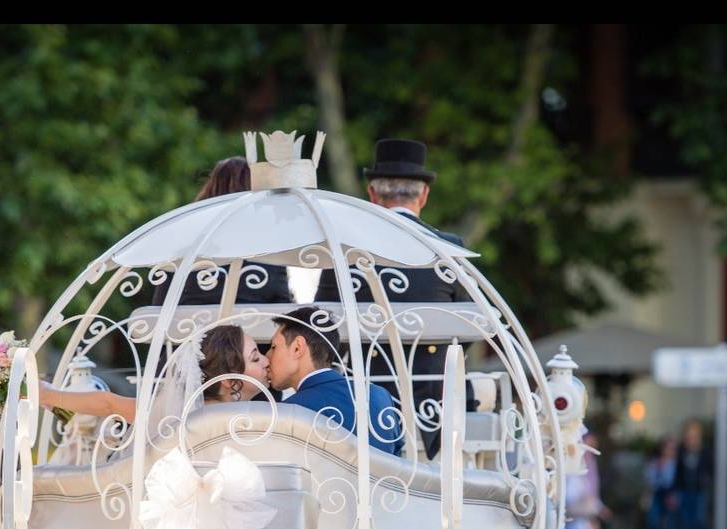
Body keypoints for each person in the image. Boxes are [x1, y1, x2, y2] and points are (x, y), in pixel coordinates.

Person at [314, 139, 473, 460]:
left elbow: (322, 326)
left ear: (372, 194)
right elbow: (473, 327)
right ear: (424, 195)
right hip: (434, 409)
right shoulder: (448, 249)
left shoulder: (344, 253)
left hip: (361, 405)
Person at [40, 325, 269, 429]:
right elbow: (108, 403)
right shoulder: (175, 415)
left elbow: (110, 404)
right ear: (229, 380)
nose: (267, 361)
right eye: (256, 358)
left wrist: (48, 394)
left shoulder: (176, 413)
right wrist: (46, 395)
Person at [151, 157, 292, 306]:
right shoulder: (270, 255)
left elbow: (157, 310)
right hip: (253, 329)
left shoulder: (183, 253)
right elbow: (284, 313)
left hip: (191, 329)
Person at [266, 306, 403, 456]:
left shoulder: (288, 411)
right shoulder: (379, 396)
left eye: (274, 347)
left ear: (297, 348)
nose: (267, 356)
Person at [565, 432, 610, 529]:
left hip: (582, 506)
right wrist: (598, 507)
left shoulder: (589, 461)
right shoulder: (576, 460)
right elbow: (575, 488)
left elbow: (591, 490)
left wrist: (599, 507)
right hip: (574, 505)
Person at [672, 419, 713, 529]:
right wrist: (675, 491)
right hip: (684, 490)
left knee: (699, 520)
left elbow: (711, 470)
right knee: (686, 523)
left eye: (694, 435)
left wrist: (707, 481)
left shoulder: (706, 451)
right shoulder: (682, 451)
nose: (691, 438)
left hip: (700, 491)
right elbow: (678, 473)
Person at [644, 437, 678, 529]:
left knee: (669, 524)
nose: (670, 450)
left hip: (670, 495)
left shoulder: (677, 463)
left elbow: (677, 482)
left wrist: (673, 496)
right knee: (654, 521)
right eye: (667, 447)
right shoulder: (654, 463)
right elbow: (649, 479)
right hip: (657, 495)